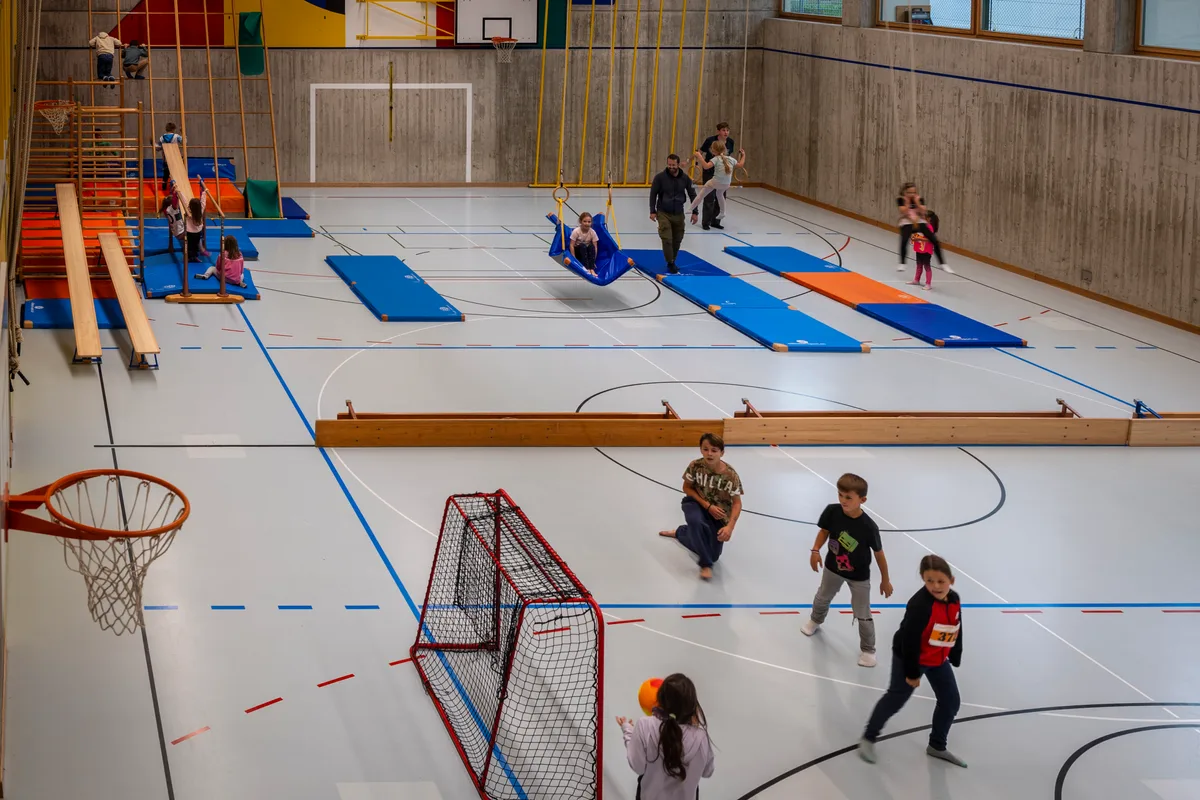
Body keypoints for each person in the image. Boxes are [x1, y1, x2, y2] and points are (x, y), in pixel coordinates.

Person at [859, 554, 966, 768]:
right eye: (929, 581)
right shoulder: (921, 606)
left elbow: (957, 625)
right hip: (910, 657)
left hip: (937, 658)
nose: (935, 586)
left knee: (951, 701)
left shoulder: (954, 599)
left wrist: (955, 653)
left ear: (951, 581)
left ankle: (937, 745)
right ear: (922, 579)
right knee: (896, 698)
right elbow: (909, 641)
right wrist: (912, 672)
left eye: (940, 581)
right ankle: (868, 737)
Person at [801, 473, 893, 667]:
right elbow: (824, 531)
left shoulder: (869, 527)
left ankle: (868, 650)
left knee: (862, 612)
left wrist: (885, 580)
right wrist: (815, 550)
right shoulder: (832, 511)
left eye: (848, 497)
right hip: (833, 568)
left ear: (863, 500)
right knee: (822, 596)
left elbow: (879, 554)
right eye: (840, 495)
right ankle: (815, 621)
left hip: (858, 576)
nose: (843, 500)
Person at [658, 433, 742, 580]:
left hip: (718, 515)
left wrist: (730, 527)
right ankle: (705, 565)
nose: (709, 453)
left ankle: (681, 532)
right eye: (705, 449)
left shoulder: (731, 475)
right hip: (695, 503)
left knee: (714, 555)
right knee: (696, 522)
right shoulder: (695, 466)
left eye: (714, 450)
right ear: (701, 450)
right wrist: (707, 505)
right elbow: (687, 487)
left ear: (722, 453)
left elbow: (737, 503)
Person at [617, 673, 715, 799]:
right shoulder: (701, 737)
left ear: (660, 700)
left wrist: (628, 730)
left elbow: (638, 766)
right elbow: (708, 772)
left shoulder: (644, 725)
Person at [649, 154, 698, 275]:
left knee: (678, 239)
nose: (671, 167)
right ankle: (670, 262)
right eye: (669, 165)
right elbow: (653, 194)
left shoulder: (685, 178)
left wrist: (695, 212)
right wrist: (652, 211)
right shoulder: (660, 178)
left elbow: (693, 195)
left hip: (679, 213)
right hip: (663, 212)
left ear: (678, 164)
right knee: (667, 239)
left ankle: (673, 260)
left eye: (673, 165)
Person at [896, 182, 951, 273]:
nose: (912, 195)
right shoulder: (901, 199)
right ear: (905, 192)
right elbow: (903, 212)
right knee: (904, 240)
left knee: (935, 240)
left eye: (914, 192)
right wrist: (908, 202)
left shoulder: (919, 199)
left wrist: (917, 202)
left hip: (919, 221)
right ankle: (902, 263)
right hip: (907, 222)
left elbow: (923, 211)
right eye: (909, 192)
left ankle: (942, 263)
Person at [687, 141, 744, 225]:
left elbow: (706, 166)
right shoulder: (731, 159)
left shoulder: (716, 159)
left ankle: (690, 208)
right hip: (726, 184)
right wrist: (743, 155)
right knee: (720, 194)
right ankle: (722, 212)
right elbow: (740, 165)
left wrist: (699, 156)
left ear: (713, 151)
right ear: (725, 149)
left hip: (716, 182)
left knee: (701, 194)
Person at [697, 123, 735, 230]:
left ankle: (716, 221)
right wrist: (696, 162)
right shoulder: (710, 140)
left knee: (721, 197)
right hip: (710, 171)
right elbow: (700, 151)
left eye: (727, 130)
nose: (726, 132)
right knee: (709, 197)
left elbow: (729, 158)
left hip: (723, 174)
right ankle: (706, 222)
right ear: (718, 131)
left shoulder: (731, 142)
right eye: (723, 130)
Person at [907, 210, 939, 291]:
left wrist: (918, 238)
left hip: (926, 249)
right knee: (919, 264)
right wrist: (913, 238)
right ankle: (916, 279)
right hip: (920, 248)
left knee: (927, 266)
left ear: (928, 219)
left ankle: (928, 283)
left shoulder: (929, 227)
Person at [154, 123, 184, 191]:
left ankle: (164, 188)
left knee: (166, 174)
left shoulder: (162, 138)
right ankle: (176, 188)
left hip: (166, 158)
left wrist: (153, 144)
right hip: (176, 158)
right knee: (177, 174)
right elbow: (184, 142)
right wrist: (182, 132)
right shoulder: (176, 136)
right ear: (173, 129)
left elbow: (158, 148)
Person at [569, 211, 599, 276]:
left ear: (591, 223)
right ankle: (587, 268)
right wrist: (573, 258)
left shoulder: (592, 232)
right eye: (584, 221)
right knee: (583, 246)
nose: (587, 224)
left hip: (587, 253)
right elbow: (571, 245)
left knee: (591, 246)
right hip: (579, 252)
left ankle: (591, 268)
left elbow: (595, 247)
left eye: (589, 222)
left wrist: (593, 260)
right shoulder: (576, 231)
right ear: (580, 222)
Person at [184, 188, 210, 264]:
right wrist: (204, 192)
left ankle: (189, 257)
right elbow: (203, 202)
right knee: (195, 245)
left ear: (190, 206)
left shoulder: (189, 213)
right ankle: (194, 257)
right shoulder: (200, 210)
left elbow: (184, 202)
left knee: (190, 245)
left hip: (189, 232)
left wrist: (179, 192)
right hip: (197, 232)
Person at [160, 185, 186, 255]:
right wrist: (176, 193)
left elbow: (171, 200)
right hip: (181, 233)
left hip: (176, 232)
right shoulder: (173, 208)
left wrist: (172, 191)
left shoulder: (167, 210)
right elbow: (175, 203)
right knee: (196, 231)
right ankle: (199, 250)